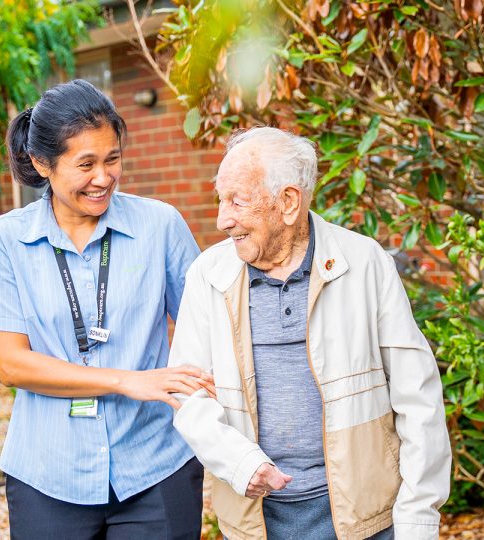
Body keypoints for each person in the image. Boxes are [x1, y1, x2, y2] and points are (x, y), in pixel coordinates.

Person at [168, 127, 451, 540]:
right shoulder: (209, 275)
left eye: (237, 201)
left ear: (288, 202)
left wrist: (417, 520)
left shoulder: (364, 262)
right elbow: (186, 391)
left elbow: (418, 397)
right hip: (256, 520)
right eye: (220, 200)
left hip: (365, 518)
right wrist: (240, 462)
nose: (222, 219)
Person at [0, 79, 213, 540]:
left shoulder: (161, 225)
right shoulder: (4, 241)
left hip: (157, 466)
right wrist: (126, 380)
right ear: (43, 163)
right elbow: (11, 364)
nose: (103, 178)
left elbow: (212, 329)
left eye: (112, 159)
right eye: (86, 164)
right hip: (47, 474)